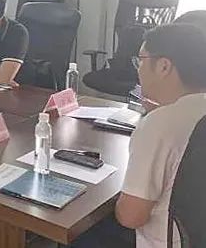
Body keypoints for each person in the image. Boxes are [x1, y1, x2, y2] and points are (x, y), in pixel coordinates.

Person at [70, 23, 206, 248]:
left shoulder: (161, 124)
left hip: (165, 241)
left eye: (140, 61)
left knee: (80, 230)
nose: (138, 69)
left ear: (163, 66)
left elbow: (130, 217)